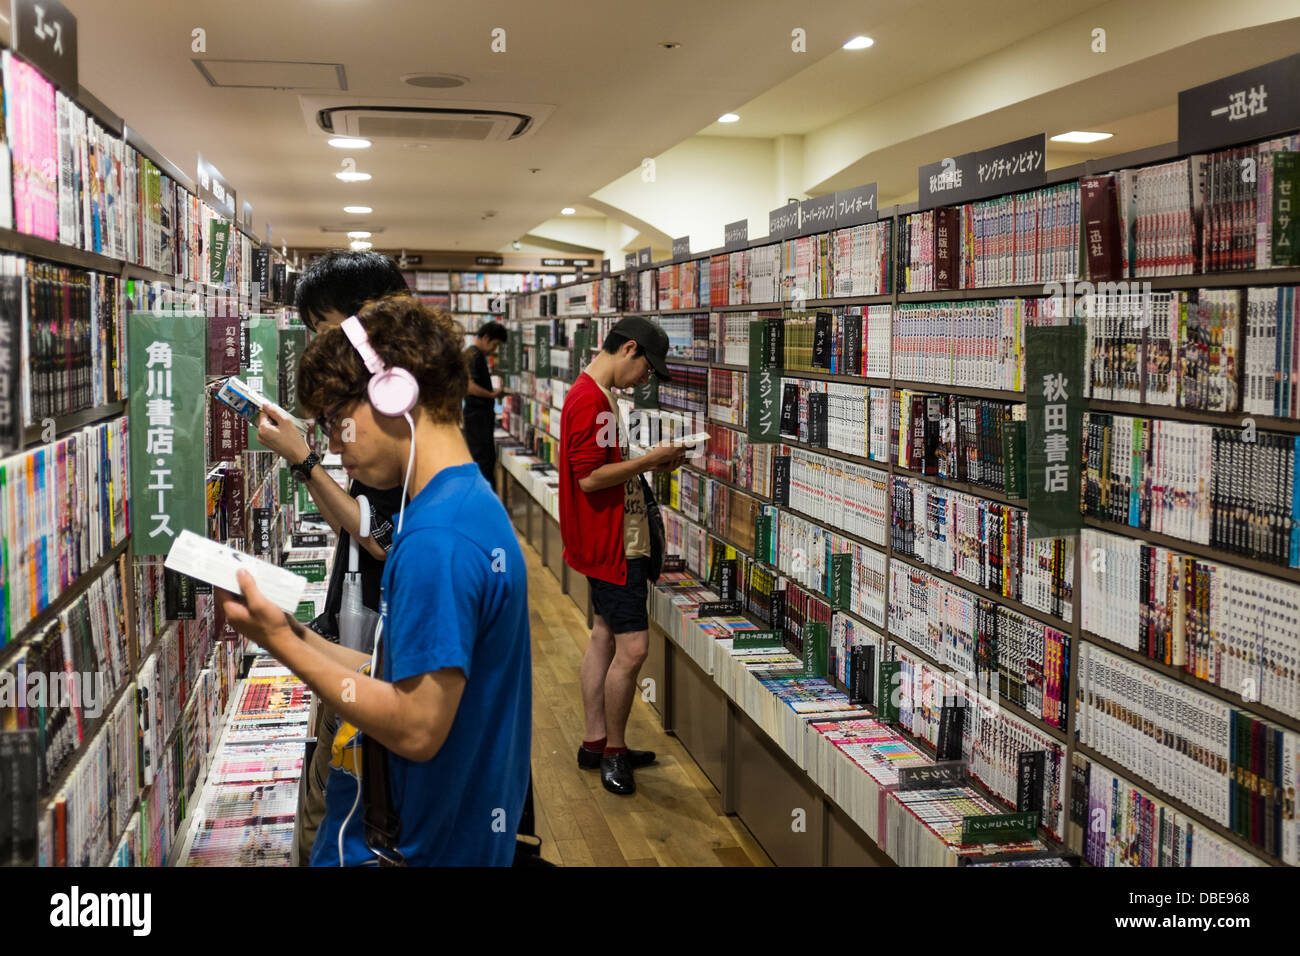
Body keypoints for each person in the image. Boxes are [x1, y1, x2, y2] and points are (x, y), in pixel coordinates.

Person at [218, 296, 532, 865]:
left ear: (393, 395)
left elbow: (415, 728)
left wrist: (283, 644)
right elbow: (397, 675)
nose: (334, 446)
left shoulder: (440, 540)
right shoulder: (461, 506)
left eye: (337, 419)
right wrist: (293, 633)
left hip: (417, 849)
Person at [255, 249, 410, 865]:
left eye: (323, 329)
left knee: (336, 793)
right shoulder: (379, 410)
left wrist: (304, 459)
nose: (319, 346)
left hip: (370, 629)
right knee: (328, 782)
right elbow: (361, 520)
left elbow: (381, 535)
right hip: (352, 622)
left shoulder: (394, 418)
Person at [558, 316, 685, 795]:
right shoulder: (591, 399)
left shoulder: (598, 394)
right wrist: (651, 461)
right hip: (612, 543)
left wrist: (648, 461)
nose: (646, 379)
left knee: (604, 636)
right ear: (628, 349)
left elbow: (604, 468)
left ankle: (596, 742)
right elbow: (589, 477)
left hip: (610, 539)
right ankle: (614, 750)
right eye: (647, 369)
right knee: (633, 649)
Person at [463, 321, 508, 486]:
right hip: (478, 418)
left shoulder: (474, 354)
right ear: (486, 338)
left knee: (485, 459)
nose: (494, 350)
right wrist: (491, 394)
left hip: (478, 417)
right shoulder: (473, 355)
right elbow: (469, 386)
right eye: (495, 345)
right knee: (483, 461)